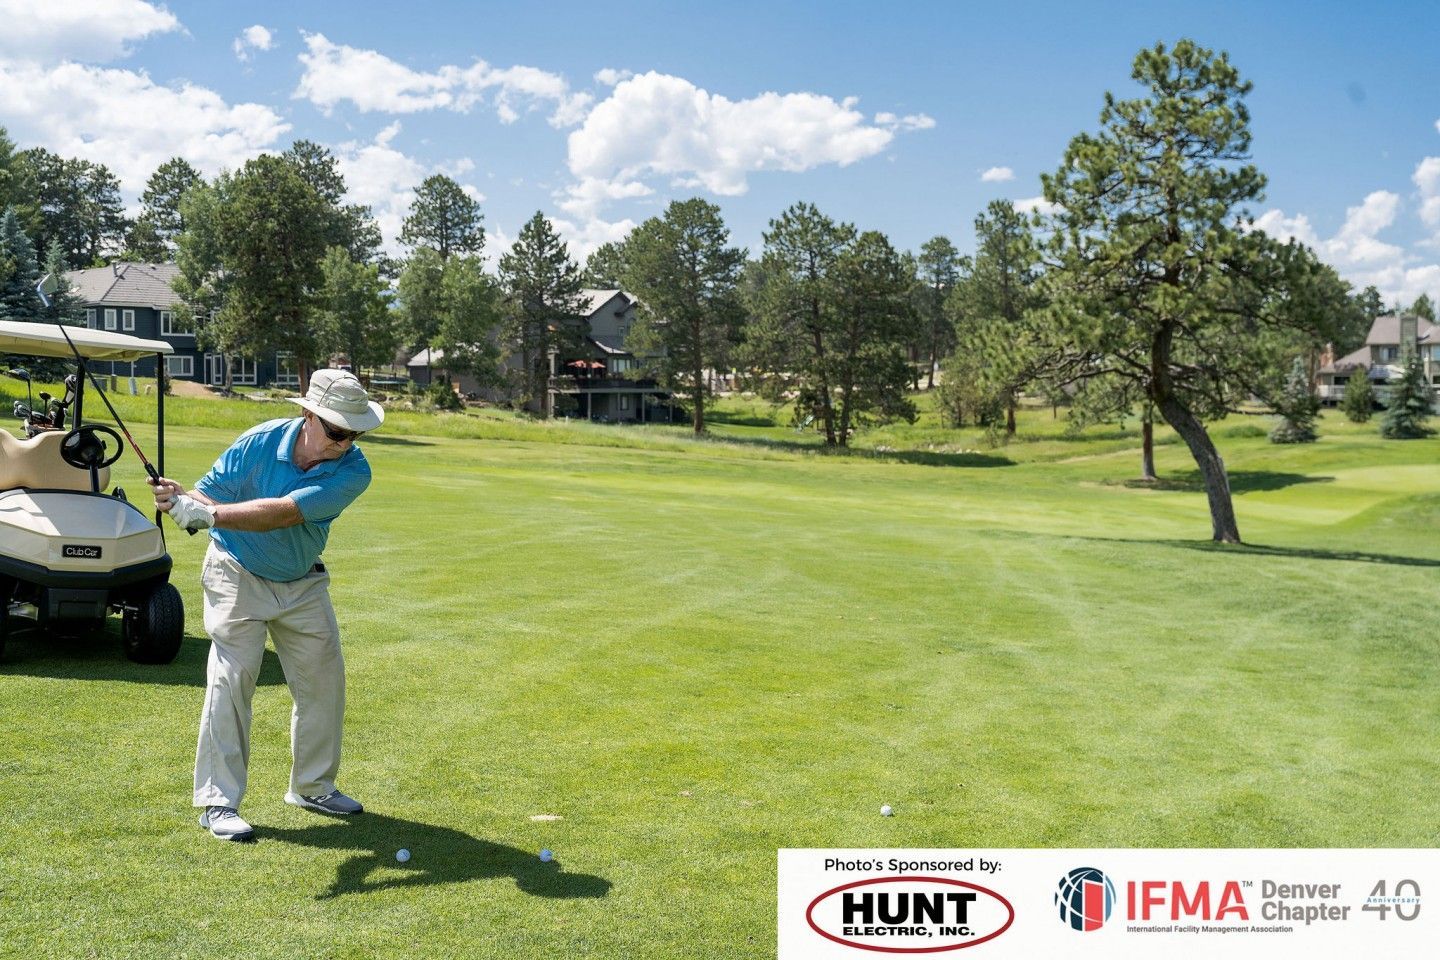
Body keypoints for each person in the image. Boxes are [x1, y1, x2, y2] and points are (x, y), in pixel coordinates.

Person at [150, 369, 383, 842]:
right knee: (231, 678)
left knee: (324, 682)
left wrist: (206, 514)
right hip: (235, 572)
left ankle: (313, 787)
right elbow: (205, 496)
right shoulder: (257, 442)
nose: (345, 442)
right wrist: (180, 500)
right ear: (308, 415)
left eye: (354, 432)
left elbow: (283, 512)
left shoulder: (354, 470)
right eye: (337, 430)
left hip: (301, 582)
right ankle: (218, 803)